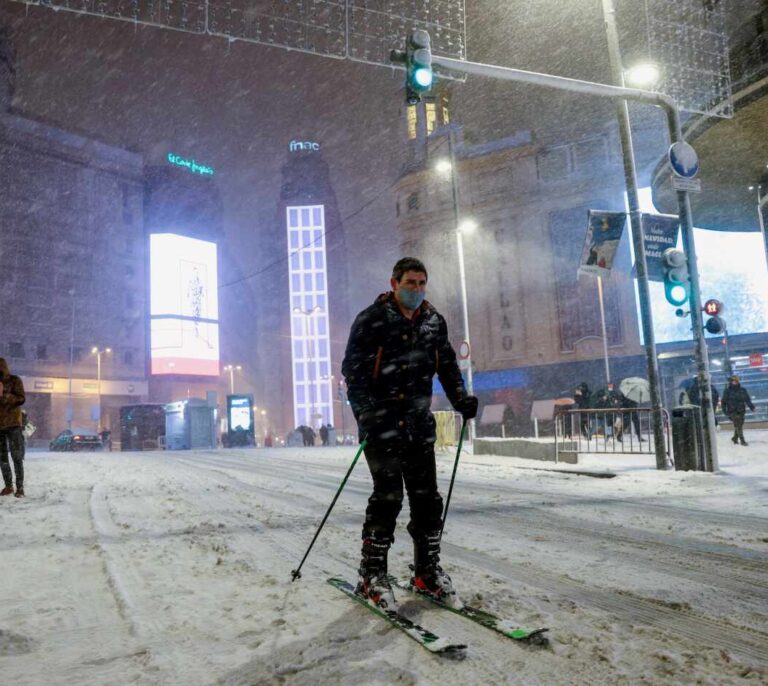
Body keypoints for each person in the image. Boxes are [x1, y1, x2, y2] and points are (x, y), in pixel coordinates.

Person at [342, 257, 478, 611]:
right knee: (388, 498)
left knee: (428, 500)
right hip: (382, 424)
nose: (416, 289)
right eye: (410, 283)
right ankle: (372, 573)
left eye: (421, 283)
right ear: (394, 283)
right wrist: (366, 413)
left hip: (418, 425)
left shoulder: (434, 322)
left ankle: (427, 571)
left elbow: (447, 365)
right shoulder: (371, 320)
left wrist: (461, 398)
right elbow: (353, 372)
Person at [0, 357, 26, 498]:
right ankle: (8, 486)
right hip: (0, 425)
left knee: (16, 456)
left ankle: (20, 487)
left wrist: (6, 396)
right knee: (2, 457)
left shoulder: (15, 380)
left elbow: (21, 398)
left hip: (13, 424)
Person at [721, 375, 755, 446]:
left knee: (739, 424)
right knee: (738, 425)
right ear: (731, 382)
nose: (735, 382)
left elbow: (747, 399)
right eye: (734, 381)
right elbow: (723, 402)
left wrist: (752, 407)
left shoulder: (742, 390)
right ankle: (742, 440)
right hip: (732, 410)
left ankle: (735, 438)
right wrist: (725, 411)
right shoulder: (727, 391)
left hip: (741, 410)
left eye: (736, 381)